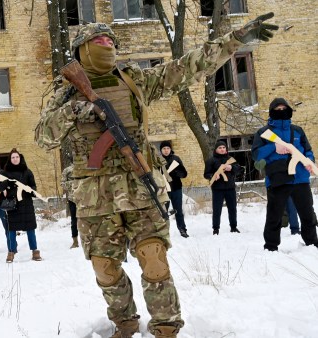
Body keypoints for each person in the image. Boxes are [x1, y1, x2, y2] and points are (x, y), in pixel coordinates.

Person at [35, 15, 277, 337]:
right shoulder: (64, 91)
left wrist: (234, 40)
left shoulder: (133, 79)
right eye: (100, 42)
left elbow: (187, 68)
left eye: (111, 43)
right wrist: (76, 110)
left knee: (154, 260)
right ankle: (125, 324)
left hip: (141, 190)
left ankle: (166, 327)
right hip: (94, 199)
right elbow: (43, 138)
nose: (108, 47)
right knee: (105, 269)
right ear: (81, 50)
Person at [251, 98, 318, 251]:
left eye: (284, 108)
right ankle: (271, 247)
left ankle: (312, 244)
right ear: (271, 111)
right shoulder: (263, 133)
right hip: (277, 179)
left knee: (307, 214)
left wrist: (310, 161)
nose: (281, 111)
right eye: (277, 109)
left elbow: (308, 150)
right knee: (274, 216)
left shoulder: (298, 131)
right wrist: (274, 146)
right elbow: (256, 155)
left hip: (300, 178)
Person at [0, 149, 42, 262]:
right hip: (13, 205)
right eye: (13, 157)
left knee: (30, 228)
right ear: (10, 159)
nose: (15, 159)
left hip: (26, 204)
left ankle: (35, 251)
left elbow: (34, 188)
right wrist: (8, 186)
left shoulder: (27, 172)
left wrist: (28, 189)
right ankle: (11, 252)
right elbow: (0, 187)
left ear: (20, 158)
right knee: (11, 229)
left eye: (16, 157)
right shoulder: (5, 173)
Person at [204, 141, 242, 235]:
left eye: (223, 147)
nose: (222, 149)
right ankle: (216, 229)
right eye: (220, 148)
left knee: (232, 208)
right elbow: (206, 174)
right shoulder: (211, 161)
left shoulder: (231, 160)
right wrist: (212, 176)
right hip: (217, 189)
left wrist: (232, 168)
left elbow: (239, 170)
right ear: (216, 149)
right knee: (217, 209)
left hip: (230, 188)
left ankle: (233, 227)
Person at [160, 141, 189, 238]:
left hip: (176, 188)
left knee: (178, 210)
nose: (166, 150)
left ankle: (182, 229)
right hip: (164, 190)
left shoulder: (176, 159)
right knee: (164, 211)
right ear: (161, 150)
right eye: (164, 148)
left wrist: (177, 173)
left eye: (168, 148)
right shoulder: (157, 160)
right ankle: (164, 231)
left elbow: (184, 173)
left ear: (170, 149)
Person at [61, 165, 79, 249]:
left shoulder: (86, 167)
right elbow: (63, 184)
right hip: (73, 199)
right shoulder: (67, 170)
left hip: (87, 199)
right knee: (74, 221)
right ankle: (75, 241)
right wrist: (75, 184)